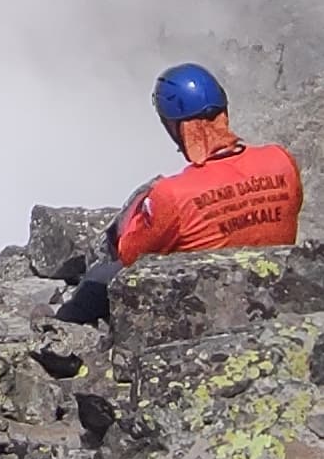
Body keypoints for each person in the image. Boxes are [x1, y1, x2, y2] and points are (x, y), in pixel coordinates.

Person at [58, 65, 303, 323]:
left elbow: (130, 255)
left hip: (205, 307)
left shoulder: (171, 195)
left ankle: (57, 339)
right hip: (276, 291)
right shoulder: (281, 161)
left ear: (176, 127)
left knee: (97, 279)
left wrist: (141, 209)